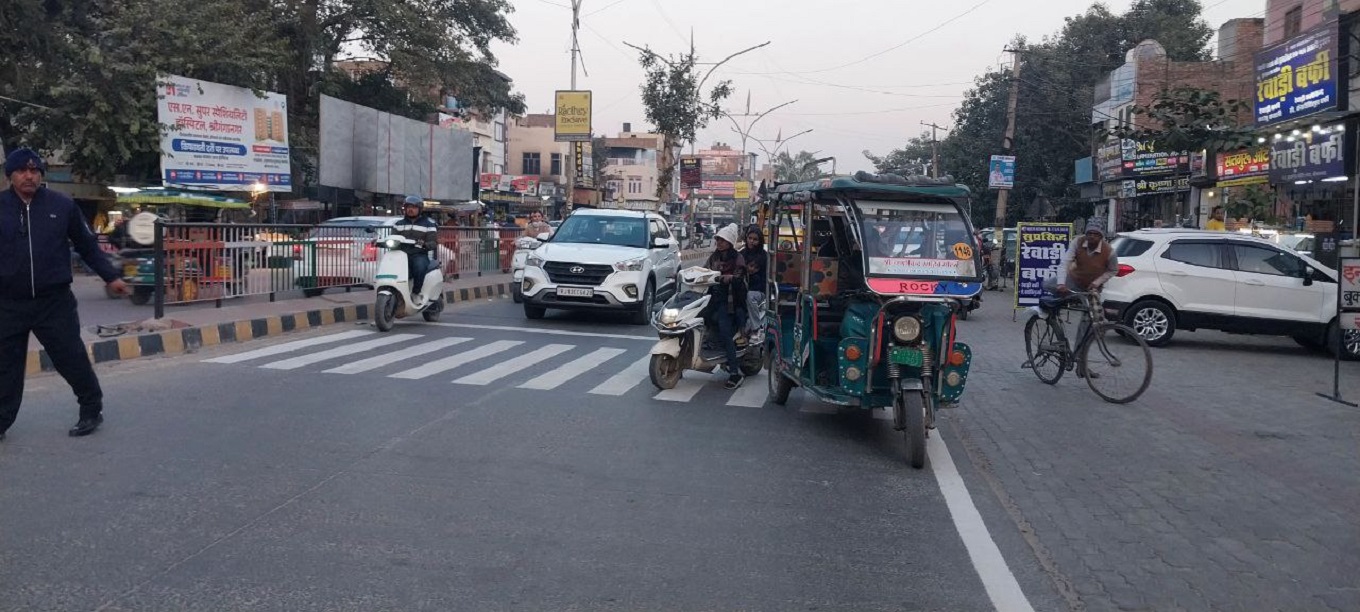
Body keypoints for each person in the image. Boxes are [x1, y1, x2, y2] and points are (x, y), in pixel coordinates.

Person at [1, 149, 129, 440]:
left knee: (70, 357)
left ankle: (91, 408)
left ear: (41, 175)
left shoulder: (62, 205)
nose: (29, 176)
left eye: (35, 171)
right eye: (22, 171)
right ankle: (2, 421)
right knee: (5, 367)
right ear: (11, 175)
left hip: (53, 302)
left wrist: (111, 277)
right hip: (7, 303)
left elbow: (87, 246)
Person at [1042, 221, 1119, 376]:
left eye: (1095, 234)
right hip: (1074, 281)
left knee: (1087, 323)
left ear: (1101, 236)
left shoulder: (1109, 251)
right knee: (1047, 285)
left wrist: (1097, 282)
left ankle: (1080, 363)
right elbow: (1065, 262)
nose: (1091, 237)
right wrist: (1062, 283)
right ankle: (1053, 311)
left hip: (1091, 288)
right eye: (1089, 233)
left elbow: (1113, 270)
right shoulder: (1077, 242)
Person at [704, 224, 747, 390]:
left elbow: (738, 277)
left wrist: (727, 278)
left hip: (730, 301)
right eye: (718, 239)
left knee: (725, 331)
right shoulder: (714, 257)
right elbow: (703, 270)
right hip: (712, 297)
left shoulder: (738, 259)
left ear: (729, 242)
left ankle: (735, 374)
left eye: (722, 240)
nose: (719, 242)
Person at [394, 195, 438, 297]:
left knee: (419, 267)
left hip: (419, 254)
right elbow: (392, 237)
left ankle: (416, 292)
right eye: (408, 207)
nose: (410, 209)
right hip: (400, 255)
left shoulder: (429, 224)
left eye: (413, 207)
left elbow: (433, 242)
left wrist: (424, 245)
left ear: (420, 209)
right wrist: (378, 241)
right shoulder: (398, 224)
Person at [740, 225, 768, 333]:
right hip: (742, 289)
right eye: (750, 238)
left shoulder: (764, 256)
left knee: (750, 296)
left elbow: (764, 279)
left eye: (755, 239)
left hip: (759, 291)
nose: (752, 241)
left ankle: (756, 327)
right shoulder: (742, 254)